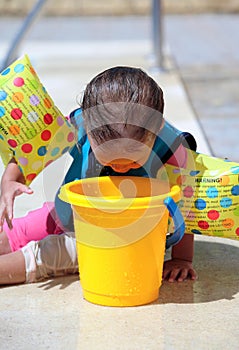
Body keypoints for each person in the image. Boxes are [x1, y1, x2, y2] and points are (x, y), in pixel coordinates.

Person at [0, 66, 197, 285]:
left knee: (50, 254)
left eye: (132, 161)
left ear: (156, 129)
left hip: (118, 234)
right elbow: (38, 147)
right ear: (89, 130)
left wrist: (182, 258)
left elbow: (187, 201)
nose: (121, 168)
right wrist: (10, 179)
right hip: (70, 210)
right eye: (111, 160)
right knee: (17, 231)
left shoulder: (173, 148)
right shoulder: (80, 125)